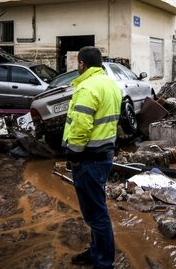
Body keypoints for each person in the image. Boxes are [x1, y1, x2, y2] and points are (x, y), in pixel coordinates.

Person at [63, 46, 122, 268]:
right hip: (104, 154)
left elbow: (81, 125)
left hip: (89, 158)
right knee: (96, 211)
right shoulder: (110, 83)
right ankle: (96, 252)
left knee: (97, 215)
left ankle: (104, 262)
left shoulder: (87, 87)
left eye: (77, 63)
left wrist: (74, 155)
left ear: (81, 64)